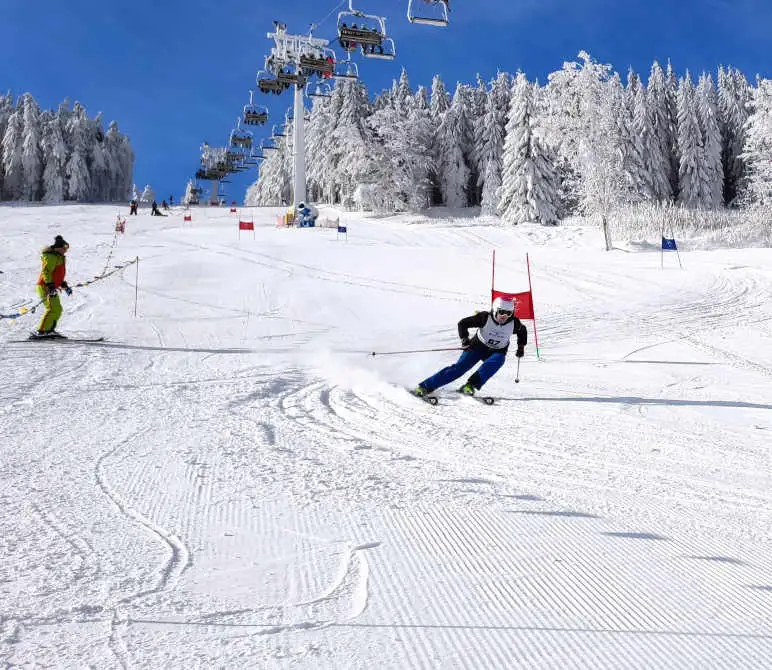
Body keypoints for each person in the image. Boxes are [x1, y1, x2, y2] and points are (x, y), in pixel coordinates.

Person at [414, 296, 527, 397]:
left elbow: (523, 331)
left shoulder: (514, 323)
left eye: (509, 313)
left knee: (498, 360)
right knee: (459, 369)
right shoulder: (484, 318)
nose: (504, 316)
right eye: (501, 312)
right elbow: (462, 323)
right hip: (476, 347)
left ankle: (470, 386)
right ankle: (425, 387)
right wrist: (465, 340)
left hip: (496, 351)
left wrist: (521, 347)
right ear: (495, 309)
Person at [34, 235, 72, 338]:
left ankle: (49, 330)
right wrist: (50, 285)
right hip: (45, 286)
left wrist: (63, 284)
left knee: (57, 309)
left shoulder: (59, 257)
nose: (66, 250)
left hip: (51, 287)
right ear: (59, 248)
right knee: (51, 309)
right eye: (65, 248)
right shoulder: (51, 257)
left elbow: (56, 274)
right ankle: (41, 331)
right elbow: (46, 272)